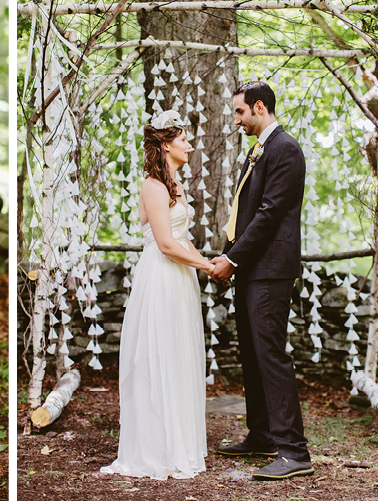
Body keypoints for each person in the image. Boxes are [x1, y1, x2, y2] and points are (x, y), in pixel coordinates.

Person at [208, 81, 313, 480]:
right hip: (253, 267)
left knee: (270, 354)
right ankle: (262, 434)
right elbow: (245, 212)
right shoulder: (259, 150)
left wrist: (232, 260)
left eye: (239, 112)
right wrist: (228, 252)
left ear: (258, 107)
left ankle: (294, 452)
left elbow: (269, 215)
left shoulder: (285, 149)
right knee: (252, 354)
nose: (236, 120)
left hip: (271, 269)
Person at [101, 110, 213, 480]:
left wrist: (210, 263)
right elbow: (165, 244)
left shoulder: (177, 185)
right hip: (162, 277)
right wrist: (207, 268)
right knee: (157, 356)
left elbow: (184, 240)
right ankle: (155, 448)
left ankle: (179, 443)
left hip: (181, 278)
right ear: (167, 144)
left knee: (179, 355)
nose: (190, 145)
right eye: (184, 140)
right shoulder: (153, 186)